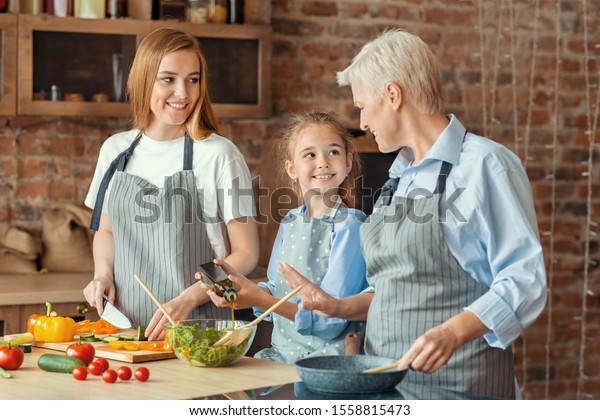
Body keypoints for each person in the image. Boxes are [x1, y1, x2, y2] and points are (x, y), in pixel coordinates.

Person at [282, 29, 547, 399]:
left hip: (458, 392)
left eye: (362, 105)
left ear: (392, 95)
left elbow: (525, 279)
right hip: (388, 387)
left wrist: (453, 331)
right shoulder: (399, 179)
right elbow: (398, 286)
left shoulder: (484, 165)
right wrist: (341, 307)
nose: (362, 122)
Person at [83, 28, 259, 340]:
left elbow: (246, 253)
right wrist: (102, 274)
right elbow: (106, 231)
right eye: (169, 79)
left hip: (199, 325)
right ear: (143, 80)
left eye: (193, 79)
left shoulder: (220, 154)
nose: (183, 92)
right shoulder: (115, 151)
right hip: (126, 330)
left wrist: (189, 298)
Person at [206, 111, 368, 364]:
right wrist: (241, 289)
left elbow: (333, 322)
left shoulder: (351, 225)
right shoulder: (291, 220)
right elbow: (276, 288)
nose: (323, 162)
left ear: (347, 163)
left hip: (328, 361)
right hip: (282, 355)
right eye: (310, 154)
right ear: (291, 168)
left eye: (333, 152)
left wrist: (264, 300)